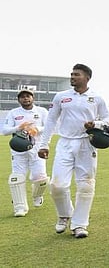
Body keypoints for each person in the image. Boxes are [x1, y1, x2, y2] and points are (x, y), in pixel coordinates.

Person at [38, 63, 109, 239]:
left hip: (87, 144)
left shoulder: (97, 98)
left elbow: (108, 120)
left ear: (87, 77)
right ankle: (64, 215)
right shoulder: (61, 97)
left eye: (76, 74)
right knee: (57, 185)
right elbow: (50, 121)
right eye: (71, 74)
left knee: (86, 185)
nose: (72, 77)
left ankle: (79, 225)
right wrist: (44, 144)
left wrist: (96, 124)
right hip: (65, 143)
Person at [1, 89, 49, 217]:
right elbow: (5, 131)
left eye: (28, 96)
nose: (25, 99)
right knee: (17, 178)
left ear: (33, 98)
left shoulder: (42, 111)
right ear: (19, 100)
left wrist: (36, 129)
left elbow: (50, 126)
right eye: (22, 97)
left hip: (37, 148)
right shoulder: (13, 113)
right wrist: (19, 127)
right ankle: (20, 207)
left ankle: (37, 195)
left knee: (41, 178)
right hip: (18, 149)